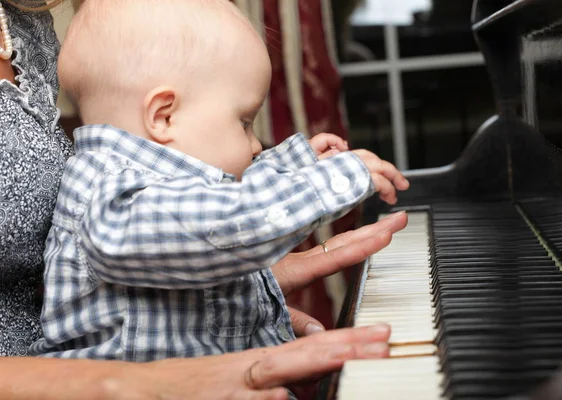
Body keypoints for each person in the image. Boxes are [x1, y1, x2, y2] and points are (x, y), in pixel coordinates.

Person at [0, 0, 409, 397]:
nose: (254, 146)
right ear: (163, 116)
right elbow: (226, 222)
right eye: (244, 122)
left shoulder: (151, 179)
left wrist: (295, 164)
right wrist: (332, 184)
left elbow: (210, 196)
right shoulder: (114, 197)